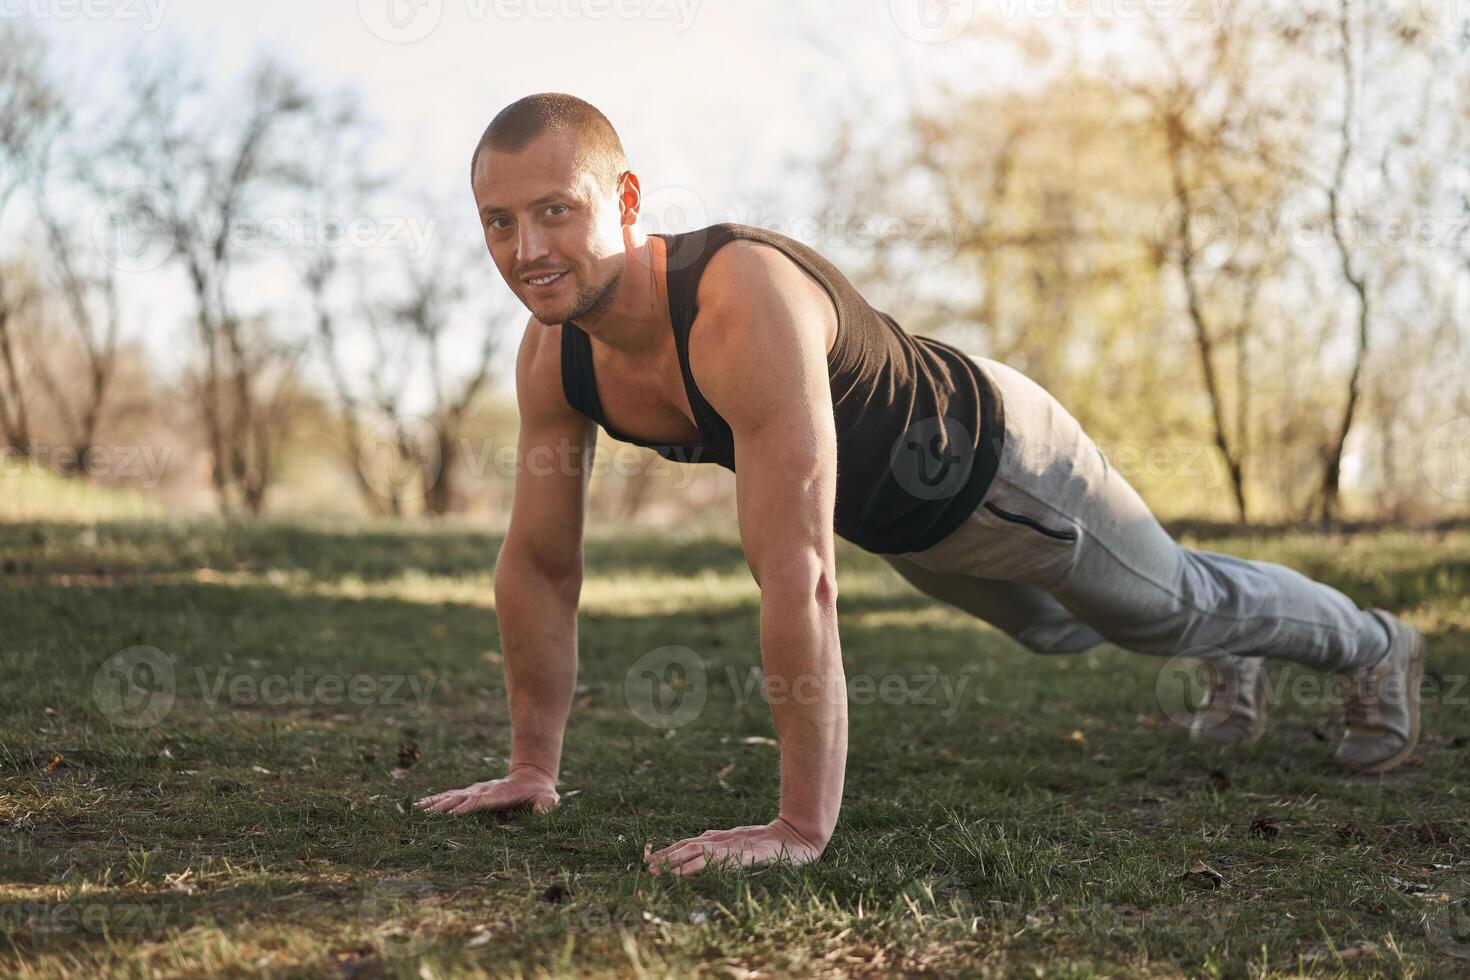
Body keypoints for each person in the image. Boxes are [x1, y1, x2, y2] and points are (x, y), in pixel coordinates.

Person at [414, 93, 1425, 876]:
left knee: (1168, 610)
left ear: (626, 202)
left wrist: (800, 825)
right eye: (499, 223)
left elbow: (798, 572)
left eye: (556, 210)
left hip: (1004, 465)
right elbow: (541, 566)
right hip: (910, 521)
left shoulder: (736, 300)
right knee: (1062, 625)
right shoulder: (556, 359)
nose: (528, 251)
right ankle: (1229, 650)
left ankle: (1379, 646)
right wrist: (532, 767)